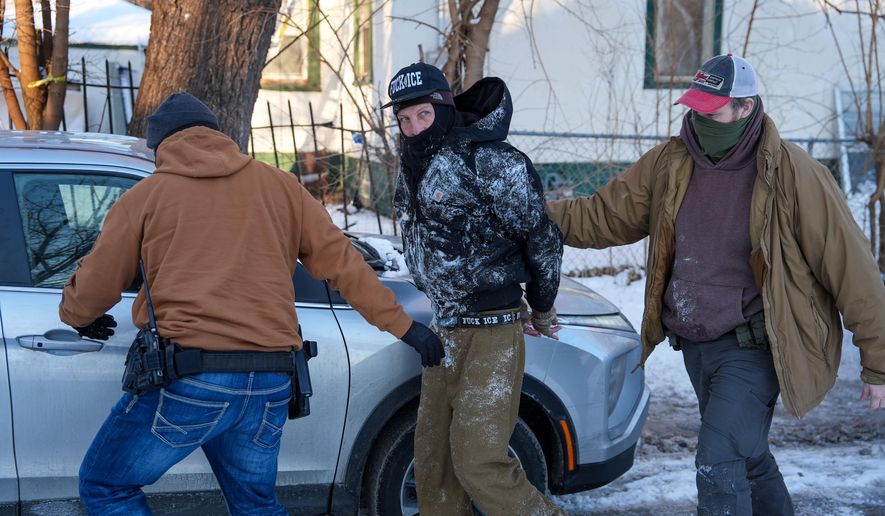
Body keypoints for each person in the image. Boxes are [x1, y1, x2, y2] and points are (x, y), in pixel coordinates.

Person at [58, 92, 444, 515]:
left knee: (105, 487)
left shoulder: (147, 197)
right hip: (271, 380)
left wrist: (79, 316)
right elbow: (345, 265)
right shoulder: (281, 186)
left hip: (192, 379)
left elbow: (96, 284)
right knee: (255, 505)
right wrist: (406, 327)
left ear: (161, 145)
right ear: (217, 135)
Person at [546, 53, 885, 515]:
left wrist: (878, 361)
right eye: (695, 108)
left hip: (754, 344)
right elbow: (603, 217)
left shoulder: (793, 173)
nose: (700, 119)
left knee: (718, 463)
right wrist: (531, 213)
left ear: (746, 108)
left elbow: (851, 267)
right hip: (696, 343)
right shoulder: (672, 161)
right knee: (747, 456)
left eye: (712, 110)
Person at [382, 63, 565, 515]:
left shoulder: (492, 161)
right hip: (444, 328)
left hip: (491, 332)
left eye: (423, 115)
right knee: (433, 467)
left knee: (478, 462)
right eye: (404, 121)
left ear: (443, 108)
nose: (414, 129)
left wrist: (540, 306)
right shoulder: (413, 166)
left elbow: (543, 240)